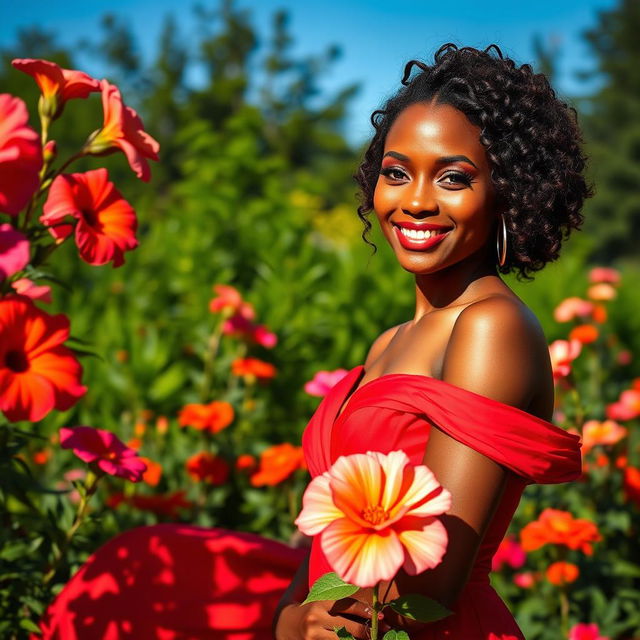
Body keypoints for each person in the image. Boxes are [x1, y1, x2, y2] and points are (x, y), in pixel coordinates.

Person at [36, 44, 587, 640]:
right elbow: (326, 546)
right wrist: (289, 618)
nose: (416, 199)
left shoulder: (489, 327)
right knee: (140, 565)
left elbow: (431, 584)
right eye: (397, 172)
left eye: (453, 177)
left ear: (508, 191)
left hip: (405, 629)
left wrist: (301, 623)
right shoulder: (389, 342)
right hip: (330, 619)